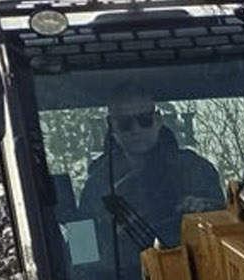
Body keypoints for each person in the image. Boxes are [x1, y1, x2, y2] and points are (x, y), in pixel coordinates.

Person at [77, 82, 224, 252]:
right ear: (111, 125)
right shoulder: (96, 186)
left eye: (144, 120)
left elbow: (224, 228)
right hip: (122, 269)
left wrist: (199, 210)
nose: (136, 129)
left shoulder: (195, 170)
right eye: (125, 123)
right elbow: (81, 250)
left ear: (158, 120)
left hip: (192, 264)